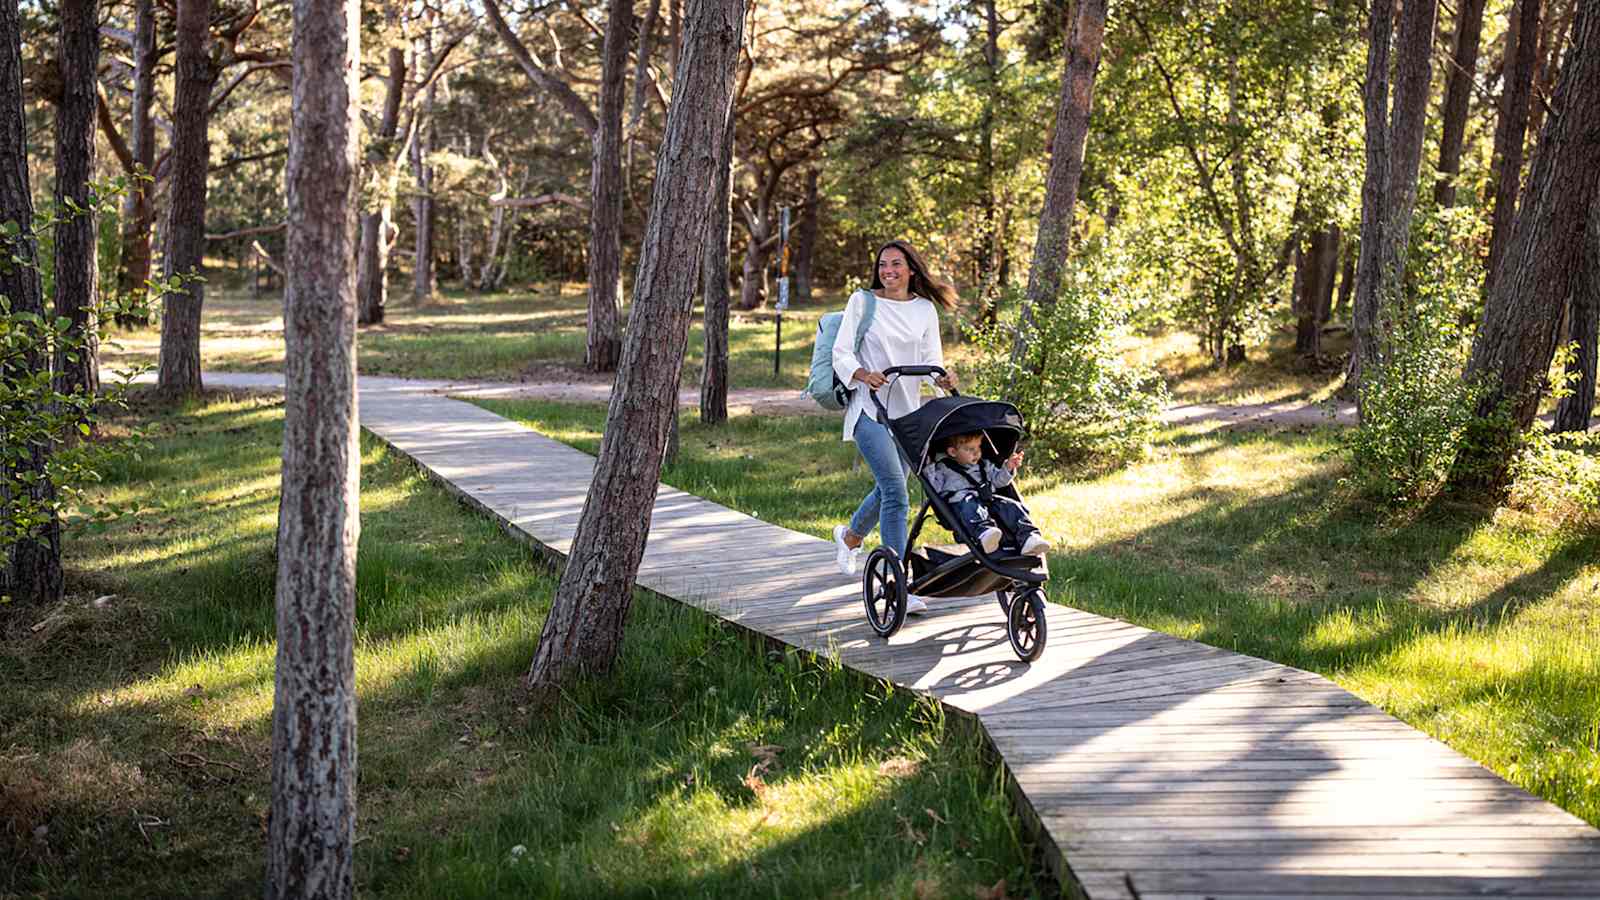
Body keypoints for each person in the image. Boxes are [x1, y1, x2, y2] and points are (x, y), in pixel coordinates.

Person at [830, 240, 959, 616]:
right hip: (870, 409)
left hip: (907, 412)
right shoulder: (862, 302)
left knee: (889, 488)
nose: (888, 271)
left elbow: (932, 359)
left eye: (896, 264)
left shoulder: (923, 310)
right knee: (896, 492)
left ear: (911, 270)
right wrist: (861, 374)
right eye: (883, 264)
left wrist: (943, 380)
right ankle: (898, 583)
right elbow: (842, 351)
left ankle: (850, 536)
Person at [926, 431, 1051, 557]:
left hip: (989, 500)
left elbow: (998, 481)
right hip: (962, 505)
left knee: (1012, 506)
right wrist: (928, 467)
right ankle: (984, 534)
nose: (976, 452)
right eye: (970, 449)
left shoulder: (984, 465)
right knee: (970, 505)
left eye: (978, 447)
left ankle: (1029, 537)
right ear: (953, 452)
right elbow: (935, 488)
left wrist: (1008, 467)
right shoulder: (943, 468)